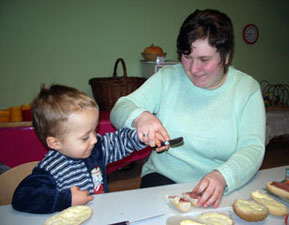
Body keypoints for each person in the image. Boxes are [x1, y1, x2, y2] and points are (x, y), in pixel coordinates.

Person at [110, 9, 266, 208]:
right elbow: (119, 109)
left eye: (204, 60)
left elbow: (252, 148)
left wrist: (223, 176)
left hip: (222, 184)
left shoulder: (247, 89)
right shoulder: (168, 77)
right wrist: (141, 117)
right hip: (162, 178)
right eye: (187, 56)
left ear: (226, 57)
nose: (193, 69)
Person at [12, 84, 163, 214]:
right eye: (85, 137)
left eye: (94, 130)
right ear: (55, 143)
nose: (95, 139)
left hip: (101, 214)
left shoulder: (96, 150)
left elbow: (118, 142)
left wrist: (141, 136)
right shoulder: (51, 168)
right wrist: (67, 199)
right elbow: (22, 198)